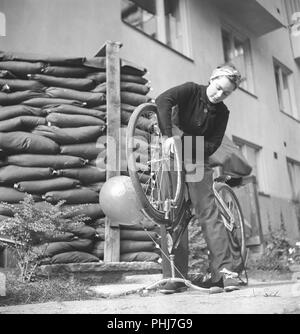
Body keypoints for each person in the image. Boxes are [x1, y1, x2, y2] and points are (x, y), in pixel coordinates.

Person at [155, 63, 243, 294]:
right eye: (218, 87)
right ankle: (174, 277)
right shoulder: (191, 90)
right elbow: (162, 100)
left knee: (207, 212)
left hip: (195, 152)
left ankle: (224, 273)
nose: (219, 94)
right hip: (172, 148)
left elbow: (213, 144)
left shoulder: (222, 112)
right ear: (212, 78)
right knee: (172, 212)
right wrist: (167, 137)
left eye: (226, 93)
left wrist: (188, 146)